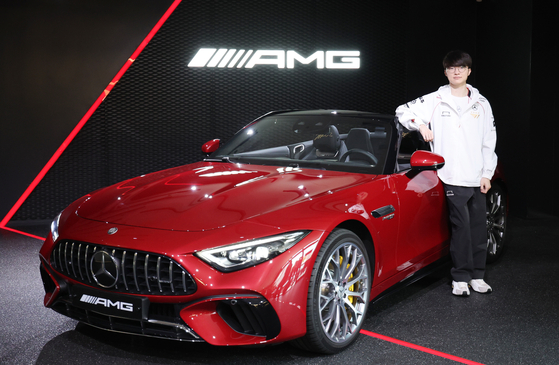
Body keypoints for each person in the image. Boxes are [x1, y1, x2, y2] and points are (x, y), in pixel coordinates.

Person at [395, 50, 497, 297]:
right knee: (461, 228)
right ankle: (460, 278)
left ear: (469, 71)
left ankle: (478, 276)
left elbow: (488, 141)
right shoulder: (434, 99)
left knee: (478, 228)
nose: (456, 71)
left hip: (476, 175)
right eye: (451, 68)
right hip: (449, 175)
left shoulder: (482, 103)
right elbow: (401, 111)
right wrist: (420, 125)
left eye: (461, 68)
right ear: (446, 72)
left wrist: (487, 174)